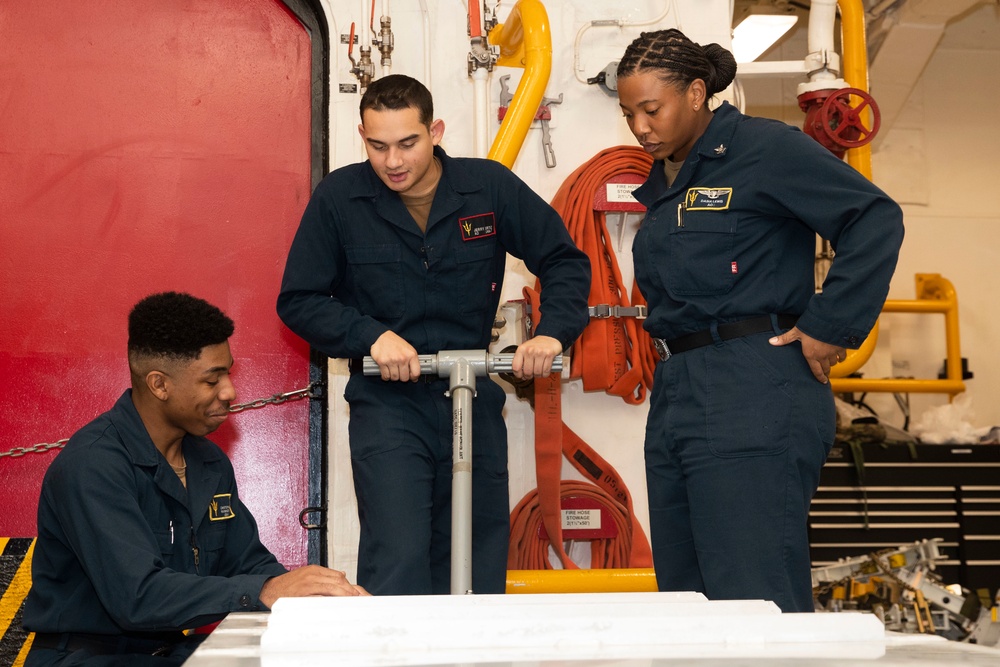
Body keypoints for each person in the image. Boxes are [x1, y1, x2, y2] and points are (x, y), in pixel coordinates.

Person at [615, 29, 904, 613]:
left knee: (752, 595)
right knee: (686, 599)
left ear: (696, 93)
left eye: (651, 109)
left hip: (751, 386)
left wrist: (830, 323)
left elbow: (874, 218)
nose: (640, 127)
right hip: (679, 390)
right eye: (628, 114)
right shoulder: (668, 178)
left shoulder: (764, 149)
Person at [277, 74, 591, 595]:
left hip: (472, 391)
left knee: (477, 554)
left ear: (435, 131)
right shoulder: (340, 198)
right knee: (398, 555)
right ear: (363, 137)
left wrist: (552, 335)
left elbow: (562, 260)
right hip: (388, 405)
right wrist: (369, 336)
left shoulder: (487, 188)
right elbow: (299, 300)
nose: (393, 161)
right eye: (378, 146)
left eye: (407, 143)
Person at [23, 292, 366, 667]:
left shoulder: (208, 462)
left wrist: (318, 599)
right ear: (159, 385)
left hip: (169, 653)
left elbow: (248, 564)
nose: (229, 391)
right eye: (211, 379)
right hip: (85, 658)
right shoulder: (94, 466)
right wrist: (266, 591)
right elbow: (139, 598)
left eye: (229, 373)